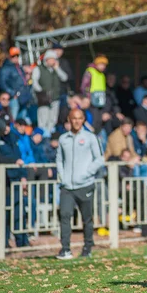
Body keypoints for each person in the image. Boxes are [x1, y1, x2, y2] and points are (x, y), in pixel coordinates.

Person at [55, 109, 104, 259]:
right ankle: (65, 249)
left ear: (83, 120)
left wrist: (86, 173)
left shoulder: (91, 137)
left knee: (87, 218)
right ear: (69, 120)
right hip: (67, 187)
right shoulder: (63, 139)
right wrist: (62, 176)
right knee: (64, 215)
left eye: (79, 118)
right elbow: (59, 159)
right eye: (74, 118)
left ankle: (87, 247)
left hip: (85, 185)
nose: (76, 121)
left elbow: (99, 159)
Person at [32, 50, 68, 135]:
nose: (53, 61)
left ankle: (49, 133)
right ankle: (42, 135)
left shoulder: (55, 69)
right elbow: (34, 82)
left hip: (55, 98)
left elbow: (64, 78)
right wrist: (41, 92)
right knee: (43, 118)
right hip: (44, 99)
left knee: (53, 119)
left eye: (54, 59)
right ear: (46, 59)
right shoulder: (39, 68)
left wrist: (57, 68)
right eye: (51, 59)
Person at [0, 47, 31, 121]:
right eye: (13, 56)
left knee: (22, 120)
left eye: (17, 56)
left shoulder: (18, 67)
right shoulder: (5, 68)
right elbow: (2, 83)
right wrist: (13, 93)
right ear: (9, 57)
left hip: (23, 98)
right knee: (13, 119)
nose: (16, 58)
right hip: (14, 99)